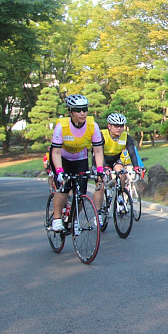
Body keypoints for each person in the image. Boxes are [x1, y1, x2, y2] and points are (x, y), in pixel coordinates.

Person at [49, 94, 105, 233]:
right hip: (62, 159)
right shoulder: (61, 126)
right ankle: (56, 219)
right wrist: (60, 172)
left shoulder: (93, 125)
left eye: (85, 109)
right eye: (78, 110)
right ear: (70, 112)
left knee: (81, 192)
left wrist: (99, 170)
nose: (83, 113)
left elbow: (98, 151)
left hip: (80, 158)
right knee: (64, 187)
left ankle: (74, 219)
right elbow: (55, 153)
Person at [96, 112, 142, 222]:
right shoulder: (101, 135)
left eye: (121, 126)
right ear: (109, 126)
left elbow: (132, 153)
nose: (119, 128)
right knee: (101, 185)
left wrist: (136, 167)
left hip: (115, 160)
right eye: (116, 126)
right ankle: (98, 213)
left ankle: (120, 195)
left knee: (122, 174)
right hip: (100, 160)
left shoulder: (126, 137)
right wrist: (103, 168)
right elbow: (98, 152)